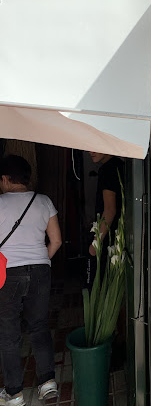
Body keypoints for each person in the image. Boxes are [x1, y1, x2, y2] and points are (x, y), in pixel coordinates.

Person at [0, 155, 62, 406]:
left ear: (5, 179)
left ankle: (14, 393)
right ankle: (47, 383)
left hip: (8, 273)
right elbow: (56, 240)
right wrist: (40, 260)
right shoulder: (43, 201)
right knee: (39, 326)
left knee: (9, 333)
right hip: (40, 270)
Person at [87, 152, 124, 284]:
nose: (90, 152)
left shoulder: (108, 169)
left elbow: (110, 210)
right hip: (119, 234)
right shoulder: (120, 165)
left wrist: (95, 243)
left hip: (109, 237)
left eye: (95, 147)